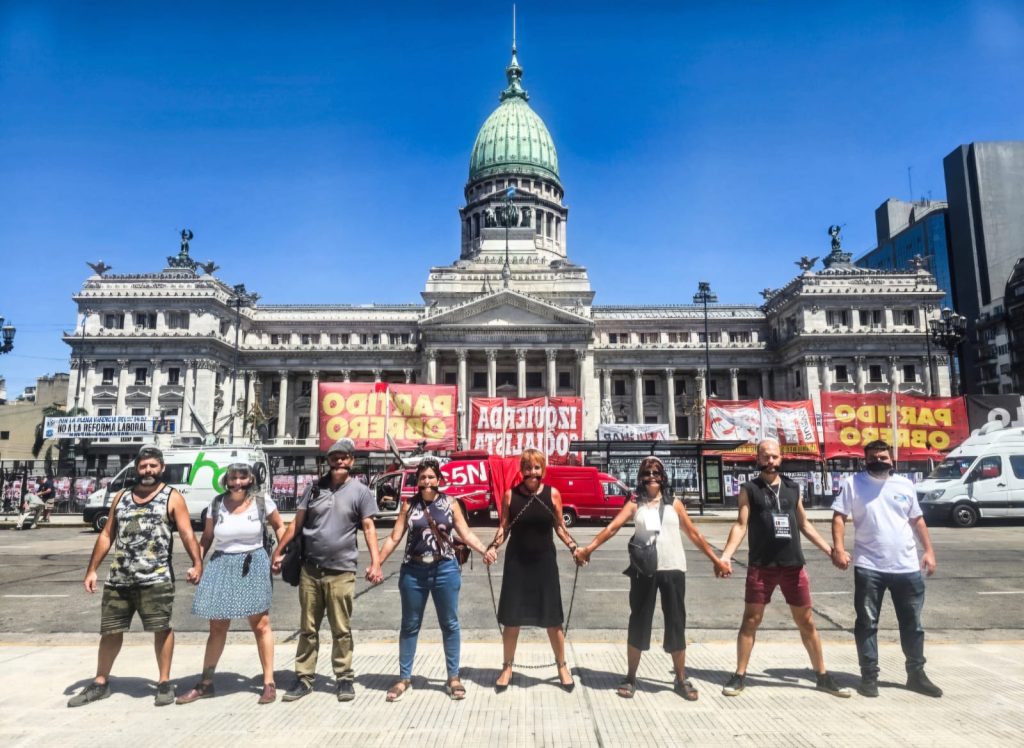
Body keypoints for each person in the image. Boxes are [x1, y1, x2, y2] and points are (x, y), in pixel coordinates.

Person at [575, 456, 731, 699]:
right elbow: (612, 528)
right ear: (640, 477)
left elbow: (694, 534)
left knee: (676, 623)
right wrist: (589, 548)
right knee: (638, 620)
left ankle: (680, 679)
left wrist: (716, 560)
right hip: (644, 570)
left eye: (656, 472)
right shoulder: (634, 503)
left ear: (663, 476)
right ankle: (631, 677)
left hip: (673, 568)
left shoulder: (674, 504)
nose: (651, 477)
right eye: (647, 473)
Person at [67, 445, 203, 707]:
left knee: (161, 629)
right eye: (143, 466)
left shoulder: (172, 497)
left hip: (156, 579)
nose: (148, 470)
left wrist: (197, 562)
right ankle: (100, 682)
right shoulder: (121, 497)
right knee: (110, 632)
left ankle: (164, 683)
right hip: (119, 579)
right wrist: (92, 569)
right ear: (136, 469)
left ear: (161, 468)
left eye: (153, 466)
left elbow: (187, 533)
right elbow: (107, 534)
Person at [718, 438, 850, 698]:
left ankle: (822, 675)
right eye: (766, 456)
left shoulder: (792, 488)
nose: (771, 461)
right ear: (757, 459)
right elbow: (741, 525)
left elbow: (805, 524)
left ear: (781, 458)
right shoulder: (749, 488)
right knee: (751, 620)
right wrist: (726, 556)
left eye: (775, 457)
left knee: (806, 621)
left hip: (793, 566)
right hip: (761, 566)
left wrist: (830, 550)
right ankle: (739, 675)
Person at [270, 438, 382, 703]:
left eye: (344, 457)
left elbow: (368, 527)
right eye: (334, 458)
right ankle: (304, 677)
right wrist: (279, 551)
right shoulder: (314, 489)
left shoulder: (360, 491)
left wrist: (376, 562)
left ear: (352, 461)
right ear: (327, 462)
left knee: (341, 628)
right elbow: (296, 524)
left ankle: (344, 678)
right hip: (311, 569)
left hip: (341, 571)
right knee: (307, 627)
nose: (339, 462)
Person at [831, 440, 942, 698]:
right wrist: (838, 548)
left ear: (891, 459)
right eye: (873, 457)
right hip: (870, 566)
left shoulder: (904, 485)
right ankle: (869, 677)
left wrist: (929, 550)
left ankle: (916, 675)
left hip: (907, 567)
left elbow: (917, 519)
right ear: (865, 459)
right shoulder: (853, 484)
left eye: (882, 457)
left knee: (913, 624)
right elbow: (839, 516)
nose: (878, 461)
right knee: (867, 623)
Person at [375, 457, 490, 702]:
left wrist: (484, 550)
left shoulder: (450, 503)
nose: (427, 482)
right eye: (423, 477)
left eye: (431, 477)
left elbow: (465, 532)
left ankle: (453, 677)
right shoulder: (409, 505)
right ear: (417, 480)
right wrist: (377, 563)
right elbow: (395, 537)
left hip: (445, 569)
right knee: (410, 625)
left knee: (450, 623)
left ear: (439, 479)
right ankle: (404, 677)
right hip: (413, 571)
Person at [176, 463, 286, 706]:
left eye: (242, 478)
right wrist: (197, 563)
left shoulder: (261, 501)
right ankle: (206, 683)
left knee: (260, 624)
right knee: (217, 627)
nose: (237, 483)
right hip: (221, 563)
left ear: (250, 480)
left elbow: (279, 525)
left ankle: (268, 682)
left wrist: (280, 552)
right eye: (233, 478)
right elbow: (206, 537)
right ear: (226, 480)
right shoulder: (216, 503)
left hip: (253, 561)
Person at [483, 448, 577, 692]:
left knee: (553, 619)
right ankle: (507, 667)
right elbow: (504, 527)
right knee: (512, 619)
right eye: (527, 468)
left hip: (545, 564)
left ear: (542, 470)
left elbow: (559, 527)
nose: (532, 472)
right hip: (517, 564)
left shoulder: (553, 494)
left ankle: (561, 666)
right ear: (521, 471)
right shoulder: (509, 496)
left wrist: (574, 547)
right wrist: (493, 547)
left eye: (536, 468)